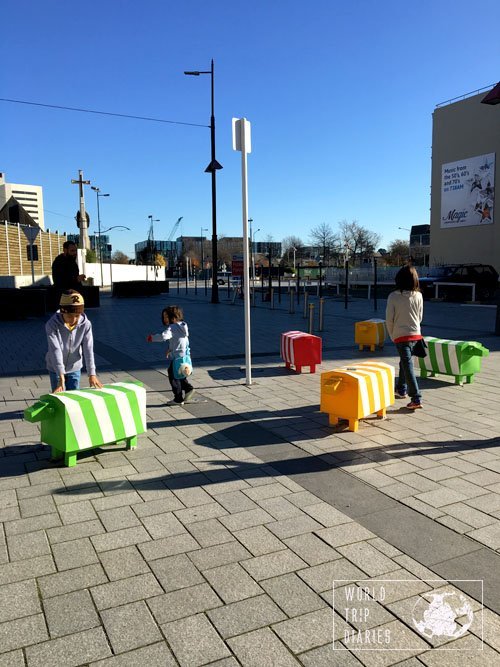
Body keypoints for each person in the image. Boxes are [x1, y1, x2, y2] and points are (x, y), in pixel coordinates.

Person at [45, 290, 102, 393]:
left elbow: (88, 349)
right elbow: (55, 350)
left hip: (74, 367)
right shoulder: (52, 324)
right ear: (63, 311)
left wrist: (92, 374)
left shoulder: (86, 324)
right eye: (70, 316)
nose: (74, 319)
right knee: (59, 398)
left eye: (77, 315)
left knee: (74, 397)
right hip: (55, 369)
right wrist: (61, 375)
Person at [386, 265, 424, 410]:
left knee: (407, 365)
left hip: (400, 336)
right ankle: (401, 389)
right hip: (416, 334)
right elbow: (420, 316)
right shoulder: (418, 295)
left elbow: (389, 319)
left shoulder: (394, 296)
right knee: (405, 361)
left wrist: (392, 335)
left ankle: (416, 397)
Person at [147, 305, 195, 406]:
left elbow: (164, 336)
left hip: (177, 358)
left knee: (173, 375)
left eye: (166, 316)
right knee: (179, 374)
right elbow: (181, 342)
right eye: (163, 317)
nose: (164, 319)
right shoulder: (182, 327)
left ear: (173, 317)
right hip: (185, 356)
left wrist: (153, 338)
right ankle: (188, 389)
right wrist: (170, 350)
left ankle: (178, 398)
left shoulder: (172, 328)